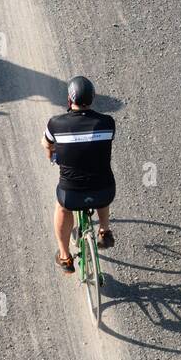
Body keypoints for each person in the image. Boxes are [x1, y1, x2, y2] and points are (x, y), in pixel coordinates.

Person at [43, 76, 116, 272]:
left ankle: (65, 258)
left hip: (71, 194)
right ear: (92, 99)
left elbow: (47, 144)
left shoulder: (55, 124)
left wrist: (51, 155)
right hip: (105, 191)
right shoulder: (108, 122)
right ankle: (105, 231)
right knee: (100, 177)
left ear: (69, 100)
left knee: (62, 207)